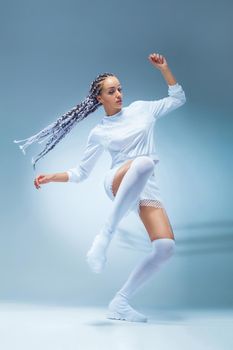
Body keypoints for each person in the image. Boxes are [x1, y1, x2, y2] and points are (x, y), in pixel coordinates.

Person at [14, 52, 186, 323]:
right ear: (99, 99)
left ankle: (120, 302)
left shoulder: (142, 109)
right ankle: (105, 236)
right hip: (117, 180)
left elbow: (178, 98)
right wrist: (51, 177)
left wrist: (165, 69)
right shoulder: (100, 132)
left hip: (145, 187)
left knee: (165, 247)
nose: (118, 94)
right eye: (111, 91)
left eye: (120, 88)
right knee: (143, 162)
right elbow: (81, 173)